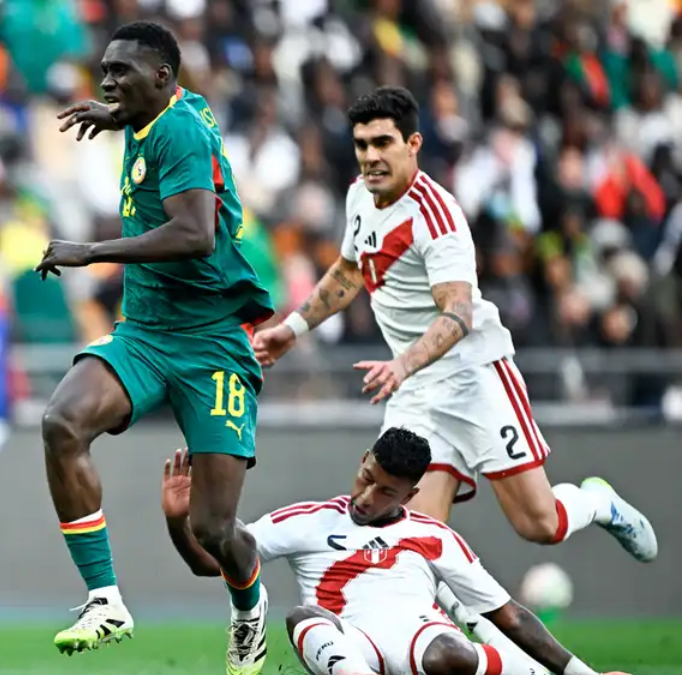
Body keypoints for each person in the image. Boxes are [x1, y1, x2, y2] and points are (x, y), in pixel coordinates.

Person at [250, 86, 657, 663]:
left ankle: (598, 503)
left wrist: (404, 361)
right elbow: (346, 270)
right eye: (362, 144)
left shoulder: (436, 216)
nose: (370, 156)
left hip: (474, 379)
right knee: (414, 540)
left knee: (540, 523)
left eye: (383, 143)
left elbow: (458, 313)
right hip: (414, 391)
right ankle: (461, 653)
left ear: (413, 143)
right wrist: (292, 328)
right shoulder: (359, 199)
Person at [41, 20, 274, 672]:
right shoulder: (168, 110)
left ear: (162, 79)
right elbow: (167, 111)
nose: (108, 82)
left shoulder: (179, 130)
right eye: (105, 72)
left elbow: (196, 233)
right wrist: (117, 114)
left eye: (121, 74)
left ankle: (250, 610)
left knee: (214, 531)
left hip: (211, 344)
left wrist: (90, 251)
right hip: (145, 331)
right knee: (62, 421)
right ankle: (106, 597)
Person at [161, 430, 628, 675]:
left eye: (386, 492)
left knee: (452, 656)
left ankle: (519, 669)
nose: (367, 496)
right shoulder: (307, 520)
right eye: (367, 477)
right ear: (363, 459)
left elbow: (509, 615)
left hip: (418, 644)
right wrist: (178, 521)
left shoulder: (435, 537)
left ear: (410, 495)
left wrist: (584, 672)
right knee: (303, 617)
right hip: (349, 645)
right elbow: (214, 564)